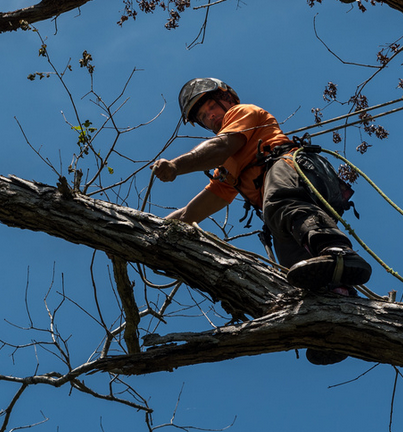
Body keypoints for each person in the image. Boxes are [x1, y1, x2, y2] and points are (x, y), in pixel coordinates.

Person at [151, 78, 372, 364]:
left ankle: (338, 252)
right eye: (204, 117)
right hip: (286, 213)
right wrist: (158, 226)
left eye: (211, 108)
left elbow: (220, 147)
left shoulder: (243, 114)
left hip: (292, 170)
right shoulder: (229, 164)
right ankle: (336, 321)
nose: (211, 117)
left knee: (280, 202)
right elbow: (206, 202)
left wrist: (176, 166)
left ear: (227, 99)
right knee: (298, 270)